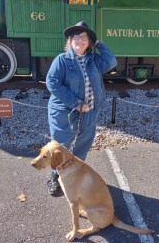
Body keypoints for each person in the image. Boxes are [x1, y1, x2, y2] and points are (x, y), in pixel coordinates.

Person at [45, 21, 117, 195]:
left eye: (84, 37)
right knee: (62, 145)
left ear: (89, 42)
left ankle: (73, 173)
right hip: (65, 111)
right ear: (70, 41)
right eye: (76, 36)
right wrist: (76, 103)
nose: (80, 40)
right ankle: (55, 177)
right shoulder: (61, 60)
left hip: (90, 111)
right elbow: (52, 83)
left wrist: (98, 43)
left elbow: (112, 61)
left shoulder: (94, 61)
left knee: (83, 144)